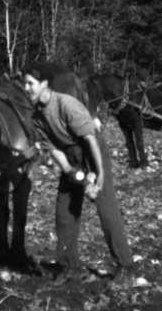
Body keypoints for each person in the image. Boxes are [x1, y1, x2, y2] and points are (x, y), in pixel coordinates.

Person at [20, 63, 136, 287]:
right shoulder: (36, 116)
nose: (26, 88)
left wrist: (98, 174)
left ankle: (126, 266)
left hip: (92, 152)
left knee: (106, 209)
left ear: (44, 85)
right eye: (24, 84)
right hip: (69, 157)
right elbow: (53, 149)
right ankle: (70, 267)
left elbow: (90, 139)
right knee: (64, 214)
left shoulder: (66, 105)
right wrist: (73, 174)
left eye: (30, 84)